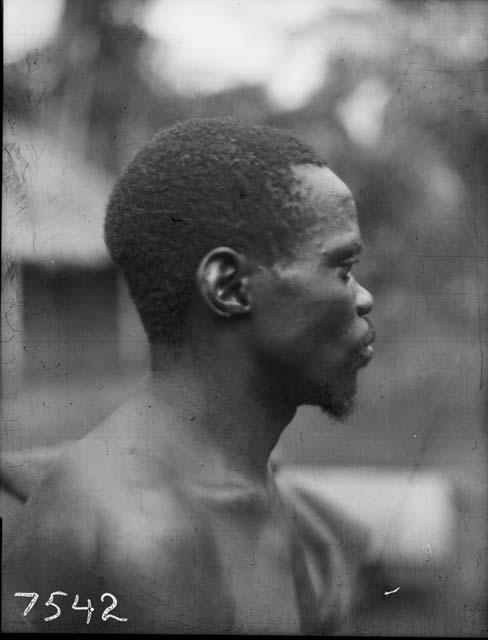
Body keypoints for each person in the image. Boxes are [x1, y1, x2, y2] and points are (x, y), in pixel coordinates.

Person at [2, 117, 375, 634]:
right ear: (228, 286)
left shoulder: (294, 517)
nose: (363, 297)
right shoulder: (142, 542)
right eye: (342, 267)